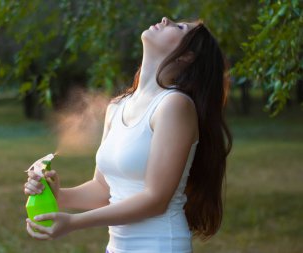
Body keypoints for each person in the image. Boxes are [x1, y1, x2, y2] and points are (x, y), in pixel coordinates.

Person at [24, 17, 232, 253]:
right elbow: (104, 190)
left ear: (187, 56)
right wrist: (59, 195)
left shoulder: (174, 105)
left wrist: (74, 222)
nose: (166, 20)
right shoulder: (117, 106)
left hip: (160, 246)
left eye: (180, 26)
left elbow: (156, 199)